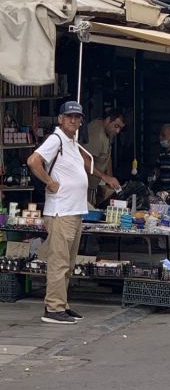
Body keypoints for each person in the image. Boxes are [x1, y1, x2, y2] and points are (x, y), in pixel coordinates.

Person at [27, 102, 94, 325]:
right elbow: (33, 161)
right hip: (61, 211)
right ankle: (53, 308)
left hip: (73, 211)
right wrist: (49, 181)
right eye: (69, 116)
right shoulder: (56, 139)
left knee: (69, 262)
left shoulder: (71, 141)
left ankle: (61, 304)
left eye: (77, 117)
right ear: (60, 119)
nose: (73, 120)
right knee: (59, 261)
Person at [83, 109, 125, 207]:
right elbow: (84, 159)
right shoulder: (96, 133)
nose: (118, 131)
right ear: (108, 120)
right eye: (116, 126)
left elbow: (107, 157)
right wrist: (104, 177)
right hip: (83, 185)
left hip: (94, 183)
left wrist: (110, 180)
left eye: (120, 128)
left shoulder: (109, 132)